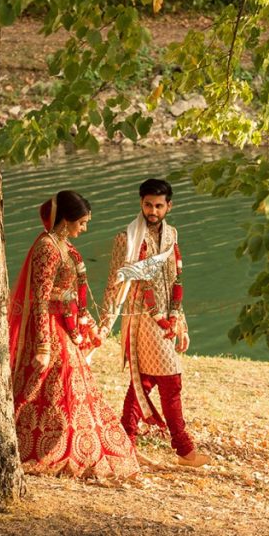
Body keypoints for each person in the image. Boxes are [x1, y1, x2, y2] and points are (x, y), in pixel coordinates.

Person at [7, 190, 139, 479]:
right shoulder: (47, 248)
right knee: (50, 387)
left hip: (65, 328)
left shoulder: (65, 247)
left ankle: (76, 446)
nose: (85, 228)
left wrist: (87, 325)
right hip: (50, 330)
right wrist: (42, 345)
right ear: (66, 220)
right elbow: (40, 298)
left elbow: (72, 297)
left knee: (73, 389)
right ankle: (38, 446)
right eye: (82, 222)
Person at [101, 178, 212, 468]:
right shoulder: (127, 238)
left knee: (147, 381)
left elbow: (176, 280)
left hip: (168, 316)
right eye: (148, 204)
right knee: (166, 381)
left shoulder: (172, 234)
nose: (153, 210)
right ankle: (183, 449)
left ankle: (129, 443)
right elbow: (114, 281)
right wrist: (103, 325)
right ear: (141, 203)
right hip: (141, 318)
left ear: (168, 206)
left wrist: (181, 321)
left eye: (159, 205)